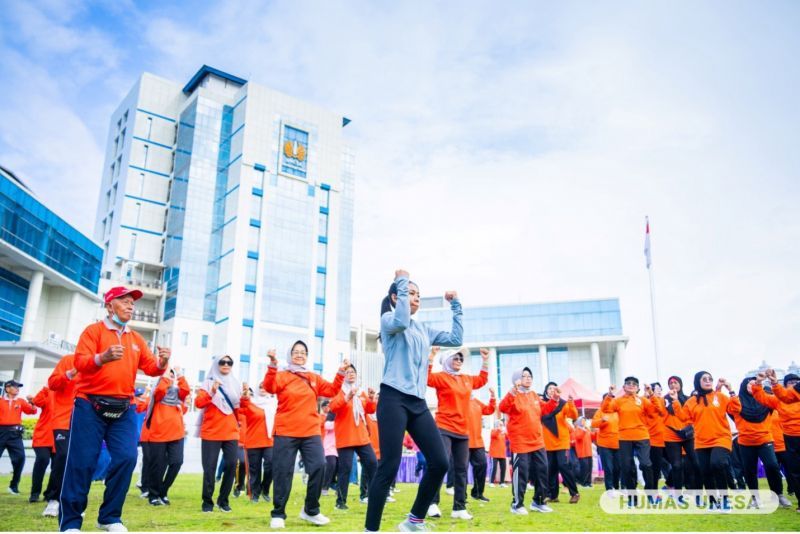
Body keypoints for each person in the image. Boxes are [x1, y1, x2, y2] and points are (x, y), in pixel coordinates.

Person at [60, 286, 171, 532]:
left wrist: (163, 362)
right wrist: (102, 357)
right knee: (82, 462)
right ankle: (70, 522)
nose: (131, 305)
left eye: (133, 302)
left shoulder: (135, 339)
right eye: (125, 301)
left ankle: (109, 518)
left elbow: (151, 368)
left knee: (127, 458)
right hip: (90, 404)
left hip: (124, 407)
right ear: (110, 305)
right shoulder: (93, 331)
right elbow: (79, 362)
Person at [365, 270, 463, 533]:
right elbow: (400, 321)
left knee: (440, 462)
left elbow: (455, 339)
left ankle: (413, 521)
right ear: (396, 297)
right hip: (393, 398)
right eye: (410, 293)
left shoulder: (423, 328)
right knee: (389, 465)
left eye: (418, 294)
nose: (415, 297)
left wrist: (455, 305)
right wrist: (401, 281)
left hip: (418, 403)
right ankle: (370, 529)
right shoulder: (389, 320)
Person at [263, 343, 348, 529]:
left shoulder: (313, 377)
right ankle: (278, 513)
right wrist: (272, 365)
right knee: (283, 472)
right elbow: (269, 387)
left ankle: (310, 510)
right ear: (290, 355)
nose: (299, 355)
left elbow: (332, 390)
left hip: (310, 431)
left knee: (320, 465)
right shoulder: (282, 375)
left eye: (303, 352)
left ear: (307, 356)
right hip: (286, 430)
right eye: (296, 352)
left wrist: (340, 373)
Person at [427, 346, 489, 520]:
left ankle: (459, 507)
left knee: (461, 469)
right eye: (456, 358)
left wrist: (485, 361)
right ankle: (431, 503)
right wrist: (431, 357)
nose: (459, 361)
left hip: (463, 430)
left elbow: (482, 380)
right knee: (441, 464)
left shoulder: (466, 379)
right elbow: (426, 378)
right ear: (446, 360)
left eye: (461, 359)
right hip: (444, 427)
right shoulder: (441, 377)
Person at [672, 371, 734, 511]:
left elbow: (736, 409)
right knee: (705, 471)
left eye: (710, 378)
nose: (708, 381)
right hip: (701, 441)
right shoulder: (692, 401)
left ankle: (725, 500)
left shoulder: (720, 396)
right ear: (697, 382)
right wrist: (675, 401)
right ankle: (713, 502)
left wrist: (731, 391)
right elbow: (683, 417)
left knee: (717, 463)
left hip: (721, 438)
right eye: (704, 379)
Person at [499, 366, 558, 515]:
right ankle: (517, 504)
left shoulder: (534, 395)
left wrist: (554, 399)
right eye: (524, 375)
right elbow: (502, 407)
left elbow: (545, 410)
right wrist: (513, 391)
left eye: (530, 375)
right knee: (522, 473)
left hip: (537, 441)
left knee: (542, 471)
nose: (528, 378)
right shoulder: (513, 395)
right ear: (517, 379)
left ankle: (538, 501)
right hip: (520, 442)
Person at [601, 377, 666, 503]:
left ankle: (650, 492)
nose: (631, 385)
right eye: (628, 384)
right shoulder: (618, 401)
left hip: (642, 436)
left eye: (634, 384)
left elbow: (658, 411)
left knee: (646, 464)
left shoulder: (643, 401)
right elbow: (605, 409)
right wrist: (609, 395)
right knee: (626, 467)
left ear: (638, 388)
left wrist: (651, 394)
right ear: (624, 387)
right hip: (624, 437)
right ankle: (632, 496)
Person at [729, 374, 789, 508]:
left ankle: (778, 495)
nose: (751, 387)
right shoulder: (736, 402)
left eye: (754, 384)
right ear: (744, 387)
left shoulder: (766, 400)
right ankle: (755, 498)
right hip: (745, 442)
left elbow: (780, 399)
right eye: (749, 384)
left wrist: (773, 383)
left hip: (765, 440)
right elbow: (732, 412)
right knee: (749, 471)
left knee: (772, 466)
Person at [196, 355, 242, 514]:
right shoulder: (208, 382)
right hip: (211, 432)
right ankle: (207, 502)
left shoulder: (236, 383)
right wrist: (212, 391)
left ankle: (223, 500)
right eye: (222, 362)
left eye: (230, 362)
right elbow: (199, 403)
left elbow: (238, 408)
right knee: (209, 468)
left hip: (231, 431)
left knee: (230, 465)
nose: (226, 365)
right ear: (216, 364)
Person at [329, 364, 378, 510]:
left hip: (361, 435)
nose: (351, 374)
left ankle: (371, 495)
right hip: (345, 436)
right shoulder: (338, 391)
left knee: (372, 463)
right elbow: (333, 407)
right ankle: (341, 502)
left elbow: (369, 410)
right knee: (345, 469)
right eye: (348, 372)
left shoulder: (360, 392)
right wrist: (347, 396)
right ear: (343, 376)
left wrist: (370, 398)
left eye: (353, 372)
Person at [143, 367, 190, 506]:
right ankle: (153, 494)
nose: (171, 376)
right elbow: (159, 392)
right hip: (159, 433)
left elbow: (185, 391)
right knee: (157, 466)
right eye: (169, 374)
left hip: (177, 433)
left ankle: (163, 491)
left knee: (177, 462)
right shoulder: (158, 391)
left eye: (172, 375)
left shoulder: (177, 394)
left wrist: (180, 375)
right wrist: (165, 377)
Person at [42, 354, 78, 518]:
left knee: (80, 461)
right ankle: (54, 499)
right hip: (63, 419)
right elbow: (53, 383)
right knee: (62, 457)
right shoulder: (68, 360)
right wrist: (71, 373)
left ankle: (72, 502)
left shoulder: (102, 363)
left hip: (87, 421)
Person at [766, 369, 800, 511]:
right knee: (794, 471)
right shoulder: (778, 401)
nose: (793, 385)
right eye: (790, 383)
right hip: (785, 441)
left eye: (796, 382)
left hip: (787, 441)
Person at [542, 381, 580, 504]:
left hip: (561, 440)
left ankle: (574, 493)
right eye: (549, 388)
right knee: (551, 469)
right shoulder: (542, 403)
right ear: (546, 391)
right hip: (548, 441)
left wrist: (571, 402)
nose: (552, 390)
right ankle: (552, 495)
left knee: (564, 466)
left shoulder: (563, 403)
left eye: (554, 388)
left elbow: (573, 415)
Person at [662, 375, 700, 493]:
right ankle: (678, 495)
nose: (673, 385)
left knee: (697, 463)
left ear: (680, 384)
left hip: (688, 435)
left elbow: (693, 415)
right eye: (671, 383)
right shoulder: (664, 400)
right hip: (671, 435)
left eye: (676, 383)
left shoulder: (688, 399)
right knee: (677, 466)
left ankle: (696, 492)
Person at [1, 379, 37, 495]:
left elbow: (32, 411)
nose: (17, 389)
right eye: (15, 386)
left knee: (20, 458)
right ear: (7, 388)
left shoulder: (20, 401)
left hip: (15, 435)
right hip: (1, 432)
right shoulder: (0, 401)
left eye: (18, 387)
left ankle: (13, 486)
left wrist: (31, 401)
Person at [240, 385, 275, 503]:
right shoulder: (251, 403)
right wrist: (244, 396)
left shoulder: (274, 403)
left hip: (270, 440)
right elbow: (242, 405)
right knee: (254, 469)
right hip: (253, 441)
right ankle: (255, 493)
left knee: (270, 465)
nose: (263, 388)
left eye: (266, 386)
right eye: (260, 387)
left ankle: (265, 489)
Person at [467, 387, 496, 502]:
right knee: (461, 470)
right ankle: (461, 497)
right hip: (463, 442)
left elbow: (489, 410)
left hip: (478, 442)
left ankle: (478, 493)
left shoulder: (477, 402)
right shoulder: (460, 402)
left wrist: (493, 397)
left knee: (482, 465)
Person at [30, 385, 55, 503]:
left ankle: (50, 494)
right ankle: (35, 493)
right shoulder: (49, 392)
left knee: (57, 466)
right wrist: (46, 388)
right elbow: (37, 401)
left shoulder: (71, 395)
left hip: (59, 437)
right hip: (43, 436)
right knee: (42, 460)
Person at [591, 394, 620, 494]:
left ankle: (616, 487)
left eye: (612, 400)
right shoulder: (600, 411)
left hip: (618, 443)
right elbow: (593, 424)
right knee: (608, 467)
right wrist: (602, 420)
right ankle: (609, 489)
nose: (610, 402)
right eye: (607, 400)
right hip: (604, 444)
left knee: (617, 467)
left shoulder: (617, 411)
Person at [643, 382, 668, 491]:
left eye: (660, 388)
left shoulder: (664, 401)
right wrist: (649, 395)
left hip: (668, 439)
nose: (659, 390)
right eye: (656, 388)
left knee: (679, 463)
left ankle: (669, 485)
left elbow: (662, 411)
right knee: (655, 468)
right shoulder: (647, 403)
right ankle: (653, 491)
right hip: (653, 440)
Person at [320, 402, 338, 496]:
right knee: (331, 465)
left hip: (340, 445)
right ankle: (324, 487)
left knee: (339, 468)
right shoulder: (329, 415)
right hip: (329, 445)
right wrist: (339, 422)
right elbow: (327, 426)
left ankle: (338, 489)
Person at [573, 417, 594, 487]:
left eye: (585, 421)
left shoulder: (587, 429)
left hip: (589, 452)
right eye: (582, 421)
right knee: (584, 469)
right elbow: (579, 437)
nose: (584, 422)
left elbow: (592, 437)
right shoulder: (577, 429)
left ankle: (589, 482)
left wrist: (596, 432)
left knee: (589, 468)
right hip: (582, 453)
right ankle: (583, 483)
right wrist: (584, 430)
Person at [489, 420, 508, 487]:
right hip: (494, 453)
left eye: (502, 425)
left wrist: (505, 432)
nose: (502, 426)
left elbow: (508, 437)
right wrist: (499, 430)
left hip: (502, 453)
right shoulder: (493, 431)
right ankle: (491, 482)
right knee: (494, 468)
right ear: (497, 425)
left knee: (503, 468)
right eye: (500, 424)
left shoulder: (503, 433)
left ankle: (502, 482)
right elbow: (494, 435)